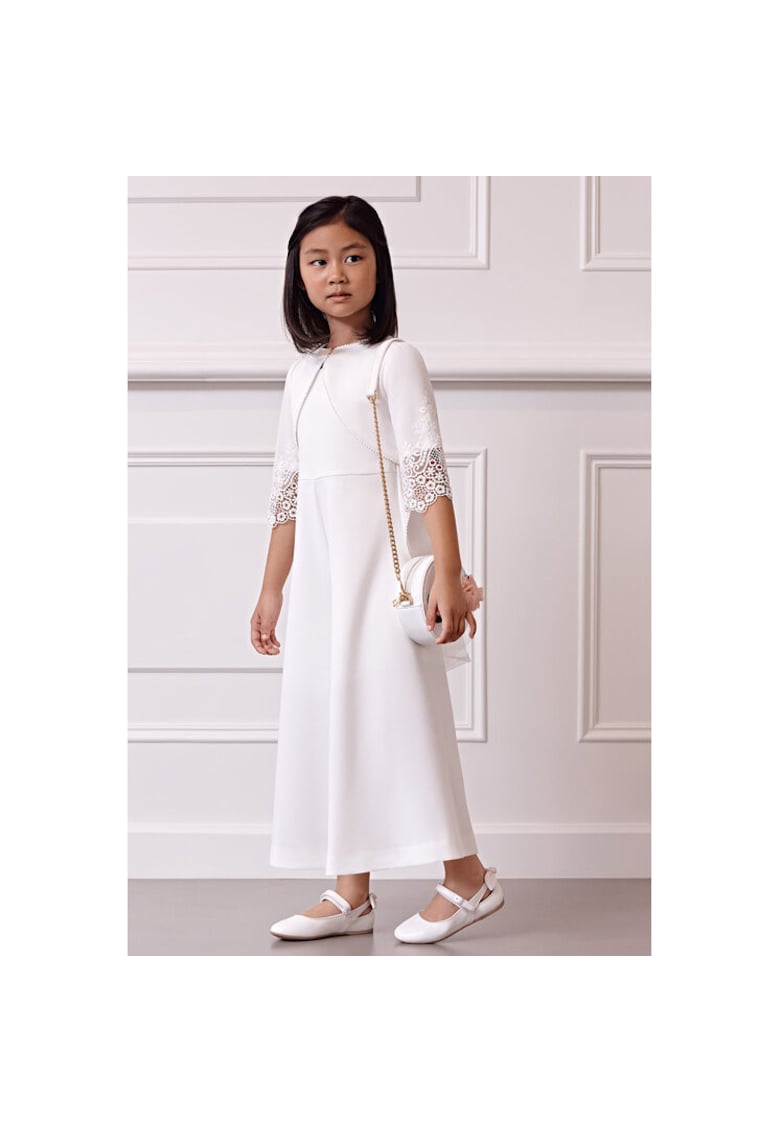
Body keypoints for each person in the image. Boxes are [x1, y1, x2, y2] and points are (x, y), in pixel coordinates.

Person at [250, 195, 504, 945]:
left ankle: (469, 877)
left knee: (406, 721)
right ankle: (351, 892)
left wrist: (450, 575)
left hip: (379, 581)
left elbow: (427, 473)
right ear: (298, 275)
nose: (336, 273)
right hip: (322, 585)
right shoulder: (300, 376)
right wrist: (271, 588)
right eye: (318, 260)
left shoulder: (396, 361)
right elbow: (288, 492)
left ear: (379, 267)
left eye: (353, 256)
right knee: (335, 721)